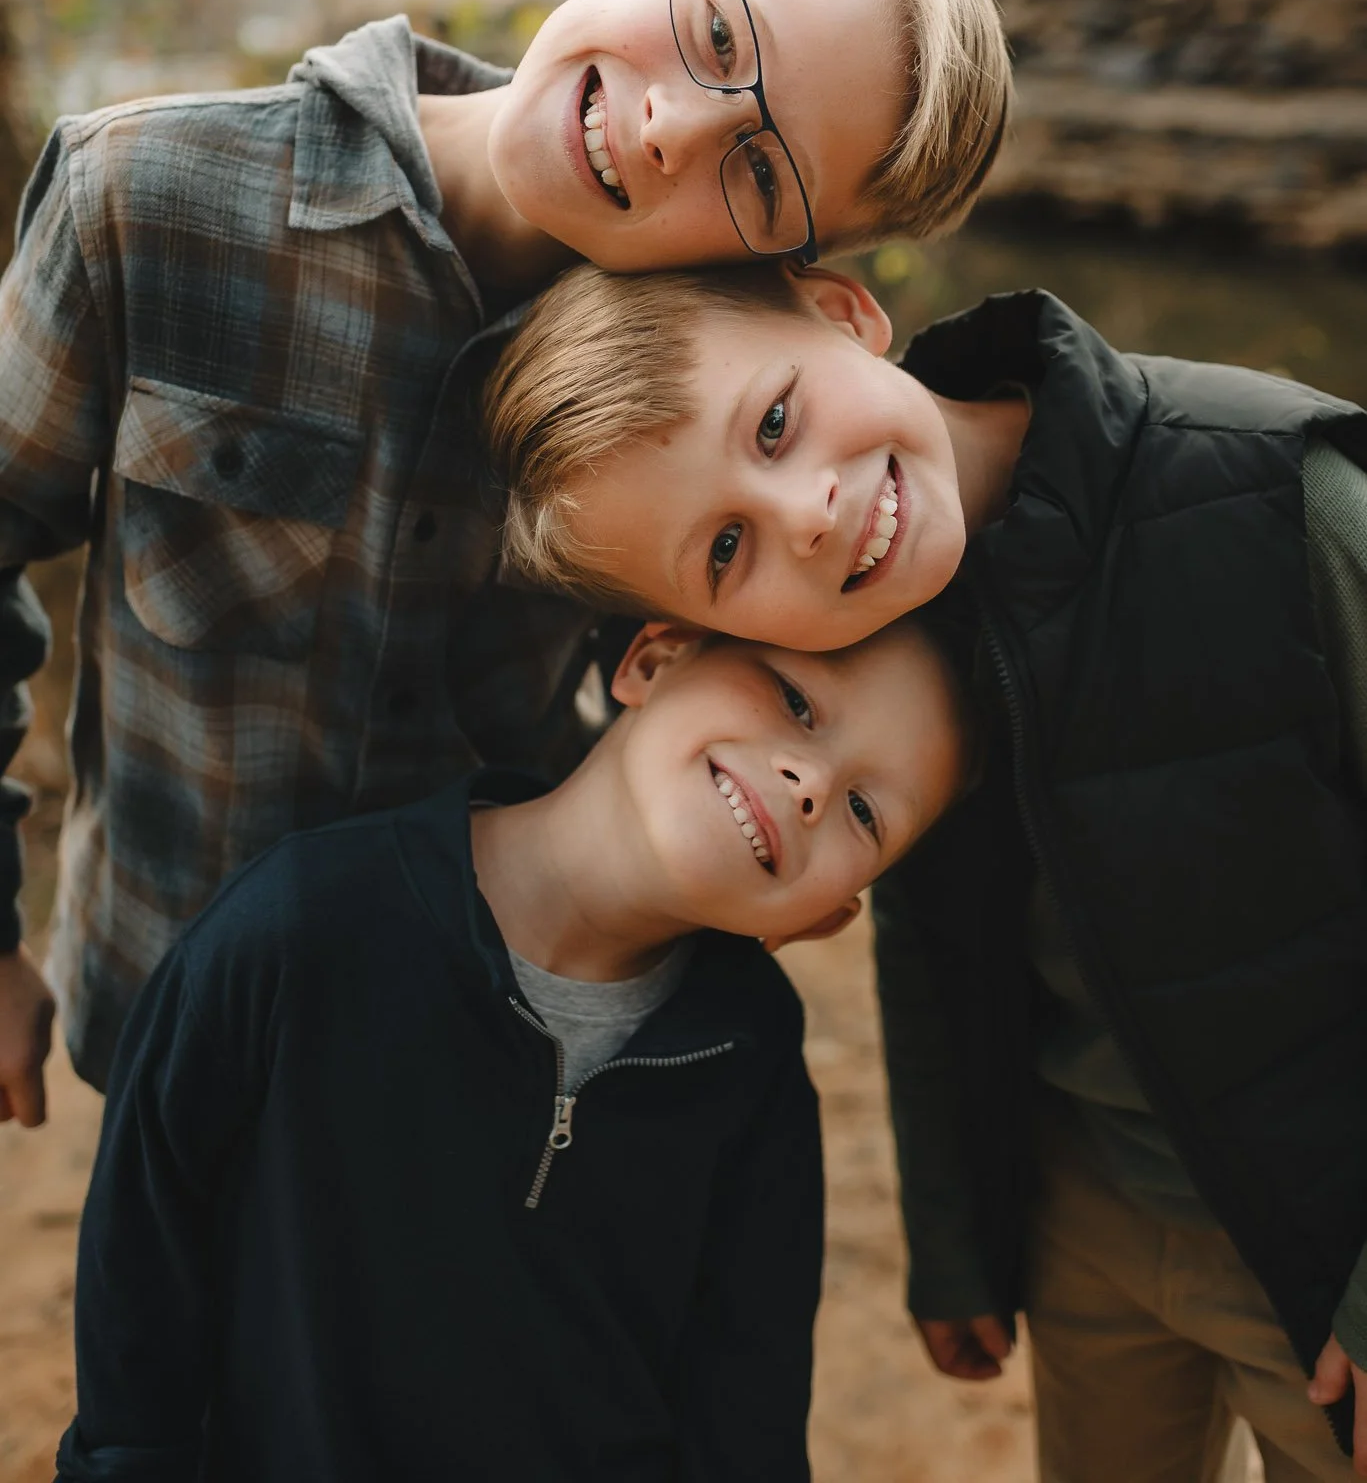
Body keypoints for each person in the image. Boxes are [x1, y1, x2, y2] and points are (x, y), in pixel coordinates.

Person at [0, 0, 1011, 1122]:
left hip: (483, 1037)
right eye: (713, 36)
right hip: (163, 1001)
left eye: (757, 174)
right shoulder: (142, 194)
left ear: (788, 262)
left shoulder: (708, 427)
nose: (672, 130)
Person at [485, 258, 1367, 1480]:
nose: (803, 513)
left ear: (843, 309)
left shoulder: (1273, 487)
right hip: (1086, 1214)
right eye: (727, 545)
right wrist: (957, 1231)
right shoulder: (856, 645)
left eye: (776, 420)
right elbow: (935, 930)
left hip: (1323, 1230)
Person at [54, 613, 966, 1482]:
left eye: (863, 812)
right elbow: (138, 1320)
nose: (811, 784)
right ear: (655, 657)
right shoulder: (296, 926)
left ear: (825, 917)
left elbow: (745, 1418)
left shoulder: (750, 1052)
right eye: (797, 702)